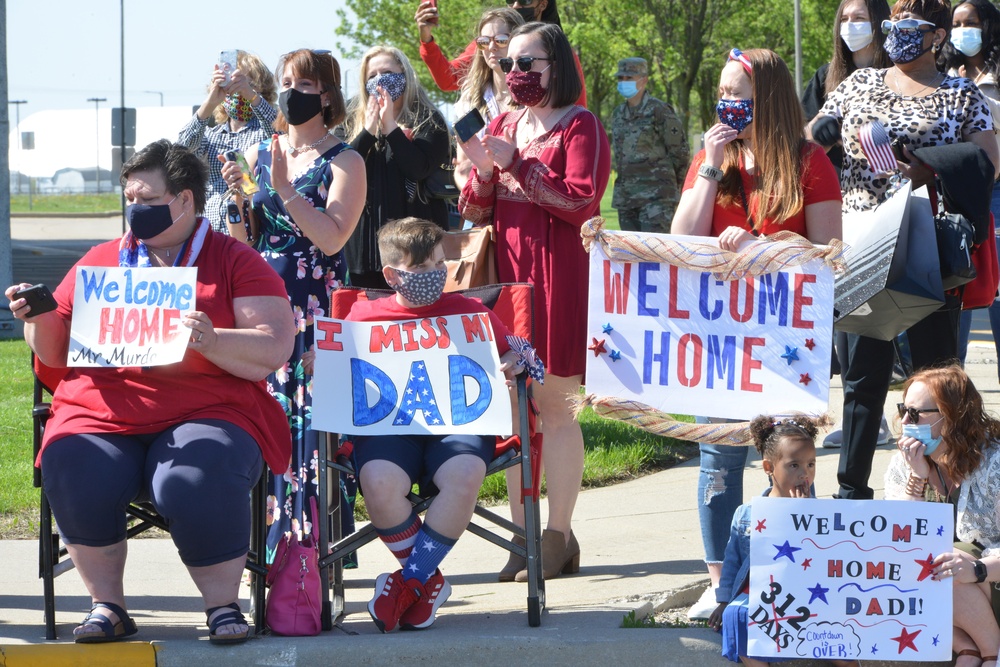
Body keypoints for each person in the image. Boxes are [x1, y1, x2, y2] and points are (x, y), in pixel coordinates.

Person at [5, 139, 295, 644]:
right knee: (73, 464)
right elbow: (53, 353)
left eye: (147, 199)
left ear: (185, 200)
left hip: (209, 410)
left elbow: (274, 346)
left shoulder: (233, 260)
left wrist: (212, 338)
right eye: (130, 199)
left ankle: (222, 605)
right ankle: (107, 606)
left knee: (193, 474)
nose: (135, 209)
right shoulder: (102, 259)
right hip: (100, 411)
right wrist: (38, 316)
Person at [671, 47, 843, 619]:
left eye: (739, 96)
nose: (728, 104)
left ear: (766, 98)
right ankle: (720, 584)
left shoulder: (809, 161)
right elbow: (682, 237)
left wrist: (761, 250)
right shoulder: (711, 157)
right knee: (718, 466)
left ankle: (795, 572)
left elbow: (826, 257)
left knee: (790, 456)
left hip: (784, 343)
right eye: (723, 94)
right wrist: (713, 164)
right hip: (721, 341)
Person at [809, 0, 999, 503]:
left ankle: (944, 488)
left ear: (937, 36)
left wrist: (928, 165)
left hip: (925, 251)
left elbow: (988, 163)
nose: (896, 34)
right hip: (861, 246)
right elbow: (807, 148)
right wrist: (818, 137)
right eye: (891, 24)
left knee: (938, 383)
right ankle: (851, 492)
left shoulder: (961, 95)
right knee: (861, 379)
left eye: (909, 26)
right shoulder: (858, 84)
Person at [459, 21, 611, 581]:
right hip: (508, 283)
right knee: (517, 416)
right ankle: (522, 537)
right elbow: (475, 211)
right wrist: (481, 170)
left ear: (558, 65)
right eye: (510, 64)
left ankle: (557, 535)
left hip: (560, 278)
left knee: (555, 409)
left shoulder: (581, 126)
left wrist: (516, 162)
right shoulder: (502, 123)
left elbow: (579, 202)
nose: (517, 73)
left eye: (530, 63)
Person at [346, 217, 527, 632]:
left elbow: (522, 351)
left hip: (458, 425)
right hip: (390, 427)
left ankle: (409, 582)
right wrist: (322, 361)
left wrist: (514, 361)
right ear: (392, 275)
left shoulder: (471, 312)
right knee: (377, 480)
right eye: (422, 268)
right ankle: (428, 579)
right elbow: (331, 370)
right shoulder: (361, 318)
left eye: (439, 265)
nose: (435, 275)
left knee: (465, 474)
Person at [221, 49, 366, 563]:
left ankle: (314, 556)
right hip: (263, 303)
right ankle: (262, 555)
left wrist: (282, 189)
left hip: (315, 307)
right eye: (284, 81)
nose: (289, 91)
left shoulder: (346, 159)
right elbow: (244, 240)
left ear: (326, 94)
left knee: (312, 428)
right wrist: (237, 205)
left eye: (301, 83)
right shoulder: (260, 150)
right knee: (265, 423)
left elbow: (331, 238)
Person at [707, 415, 857, 667]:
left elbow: (824, 559)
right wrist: (723, 601)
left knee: (838, 635)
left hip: (807, 594)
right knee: (737, 614)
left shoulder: (821, 514)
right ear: (768, 468)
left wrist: (805, 517)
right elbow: (733, 561)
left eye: (811, 465)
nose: (804, 474)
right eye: (794, 465)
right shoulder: (747, 514)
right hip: (760, 595)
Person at [883, 365, 1000, 667]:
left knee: (953, 556)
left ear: (952, 417)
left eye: (917, 413)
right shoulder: (905, 463)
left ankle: (991, 652)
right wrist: (917, 478)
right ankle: (968, 649)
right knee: (920, 560)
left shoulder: (994, 465)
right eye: (903, 409)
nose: (907, 421)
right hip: (947, 593)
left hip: (990, 580)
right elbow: (898, 543)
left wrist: (977, 569)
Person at [341, 45, 451, 290]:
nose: (380, 80)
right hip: (363, 247)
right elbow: (341, 167)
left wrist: (390, 127)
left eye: (388, 72)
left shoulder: (428, 118)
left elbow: (418, 169)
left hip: (415, 250)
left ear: (404, 74)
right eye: (372, 76)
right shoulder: (349, 117)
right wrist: (369, 132)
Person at [942, 0, 1000, 373]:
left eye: (972, 23)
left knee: (996, 297)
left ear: (989, 26)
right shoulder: (938, 73)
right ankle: (950, 398)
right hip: (953, 195)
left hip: (995, 194)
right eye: (957, 23)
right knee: (956, 290)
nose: (964, 30)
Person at [414, 0, 587, 107]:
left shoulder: (559, 50)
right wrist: (427, 40)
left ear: (542, 4)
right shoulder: (489, 42)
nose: (516, 6)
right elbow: (449, 79)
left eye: (524, 1)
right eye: (510, 0)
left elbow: (577, 107)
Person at [178, 50, 277, 233]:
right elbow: (182, 152)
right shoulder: (211, 134)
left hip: (253, 231)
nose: (236, 90)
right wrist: (210, 103)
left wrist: (251, 96)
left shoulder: (265, 130)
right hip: (212, 231)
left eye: (244, 82)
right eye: (230, 83)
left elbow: (281, 131)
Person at [611, 57, 689, 234]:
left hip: (657, 199)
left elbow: (680, 152)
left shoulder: (659, 111)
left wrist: (677, 187)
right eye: (620, 78)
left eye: (629, 78)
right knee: (630, 255)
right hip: (627, 200)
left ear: (643, 79)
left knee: (655, 255)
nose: (624, 82)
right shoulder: (617, 114)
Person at [452, 7, 525, 191]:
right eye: (484, 41)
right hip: (485, 201)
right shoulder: (470, 99)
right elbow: (462, 166)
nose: (491, 47)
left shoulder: (534, 96)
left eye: (501, 40)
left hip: (526, 198)